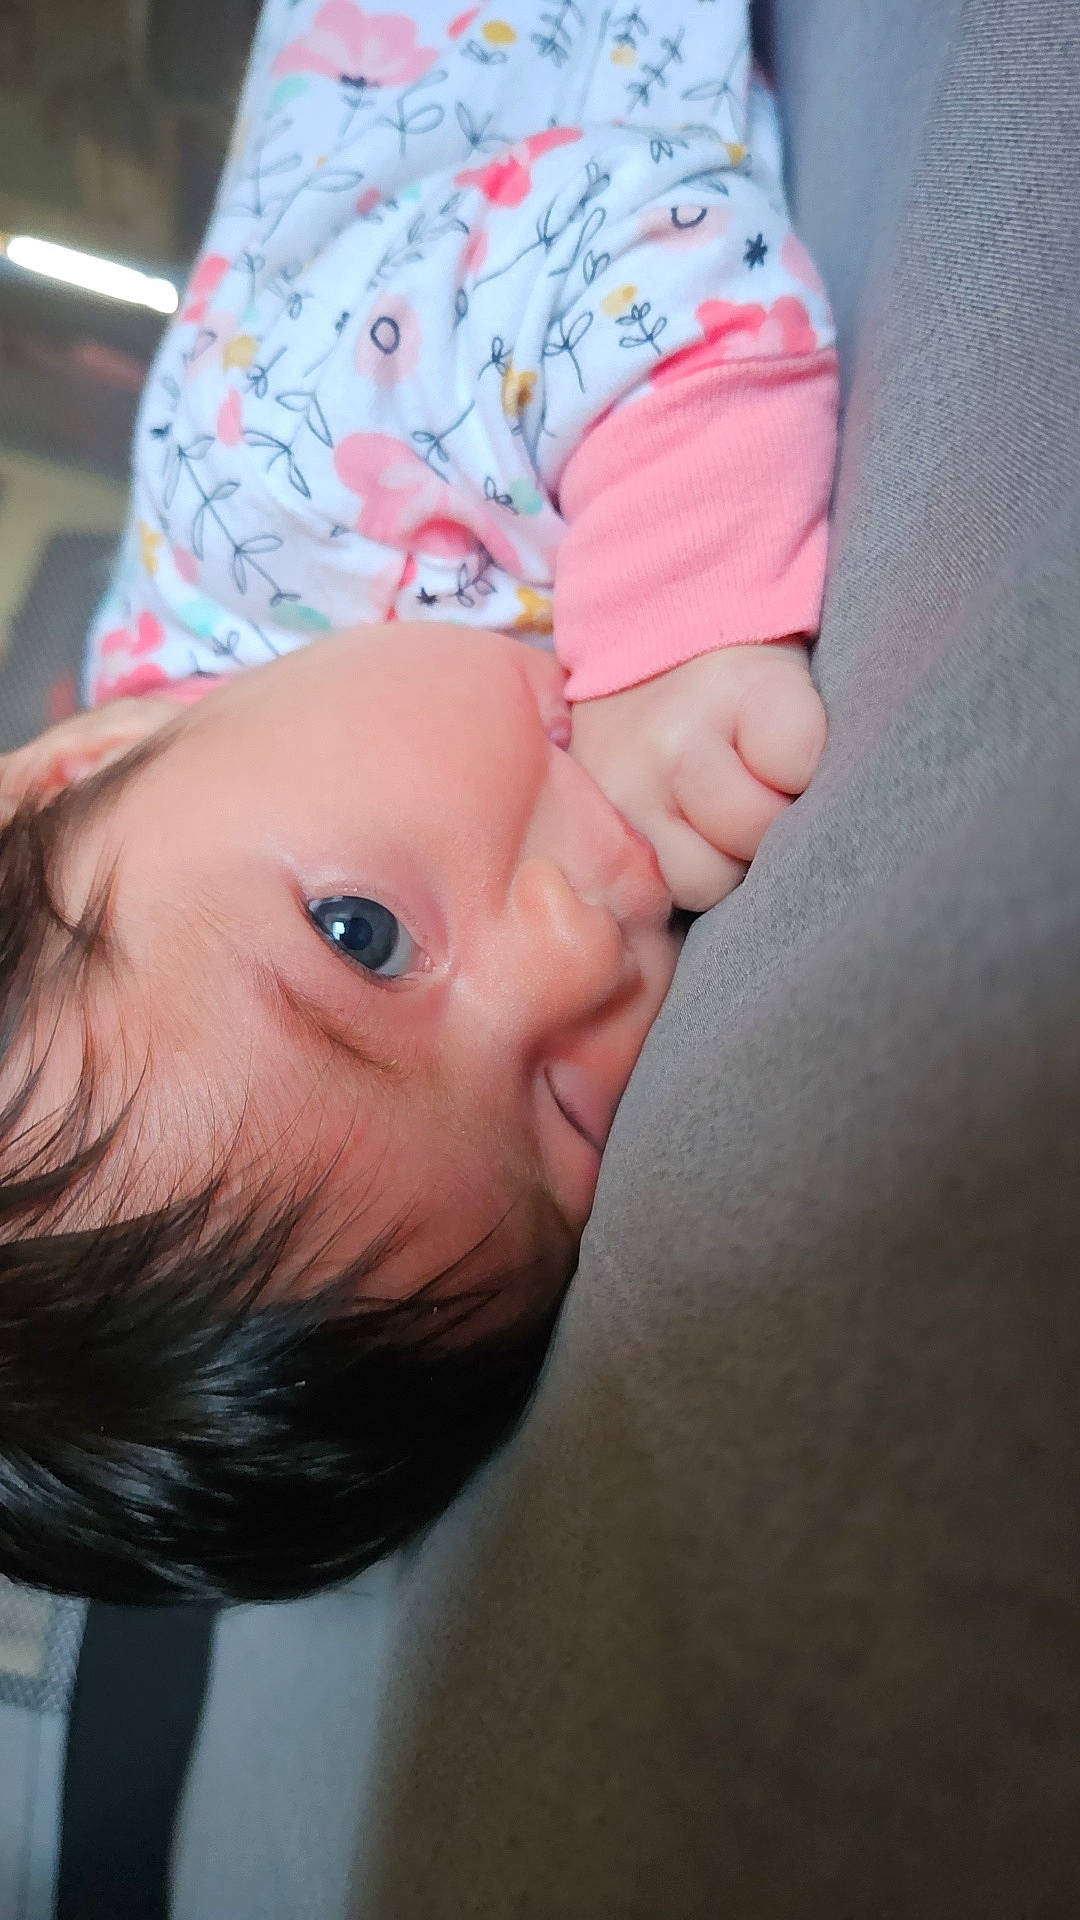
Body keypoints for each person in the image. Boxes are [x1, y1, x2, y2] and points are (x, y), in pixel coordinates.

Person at [0, 0, 836, 1603]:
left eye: (362, 936)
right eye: (562, 1115)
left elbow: (645, 236)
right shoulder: (235, 789)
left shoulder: (276, 473)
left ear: (84, 757)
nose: (576, 955)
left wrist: (684, 620)